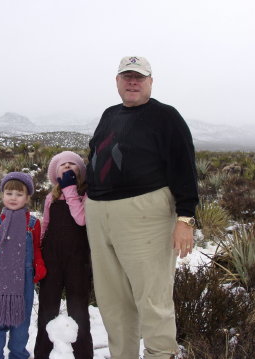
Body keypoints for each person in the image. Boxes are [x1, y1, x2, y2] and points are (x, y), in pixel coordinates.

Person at [84, 56, 199, 359]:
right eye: (127, 77)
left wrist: (185, 218)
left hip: (145, 214)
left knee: (152, 297)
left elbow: (185, 167)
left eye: (139, 77)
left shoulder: (165, 117)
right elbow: (98, 155)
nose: (132, 82)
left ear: (150, 81)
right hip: (100, 213)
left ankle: (159, 354)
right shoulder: (110, 114)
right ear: (117, 81)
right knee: (112, 300)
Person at [0, 172, 47, 359]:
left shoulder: (32, 223)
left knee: (21, 322)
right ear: (2, 195)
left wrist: (39, 265)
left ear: (27, 197)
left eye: (19, 194)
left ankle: (18, 355)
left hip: (23, 280)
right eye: (9, 193)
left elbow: (36, 248)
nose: (13, 198)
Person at [34, 151, 93, 359]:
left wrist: (70, 190)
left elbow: (81, 220)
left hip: (77, 259)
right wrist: (37, 251)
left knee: (79, 311)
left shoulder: (86, 195)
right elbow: (46, 224)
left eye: (72, 164)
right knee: (47, 309)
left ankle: (83, 354)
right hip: (52, 258)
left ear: (80, 171)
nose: (67, 166)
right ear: (55, 173)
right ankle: (41, 353)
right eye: (62, 165)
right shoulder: (52, 196)